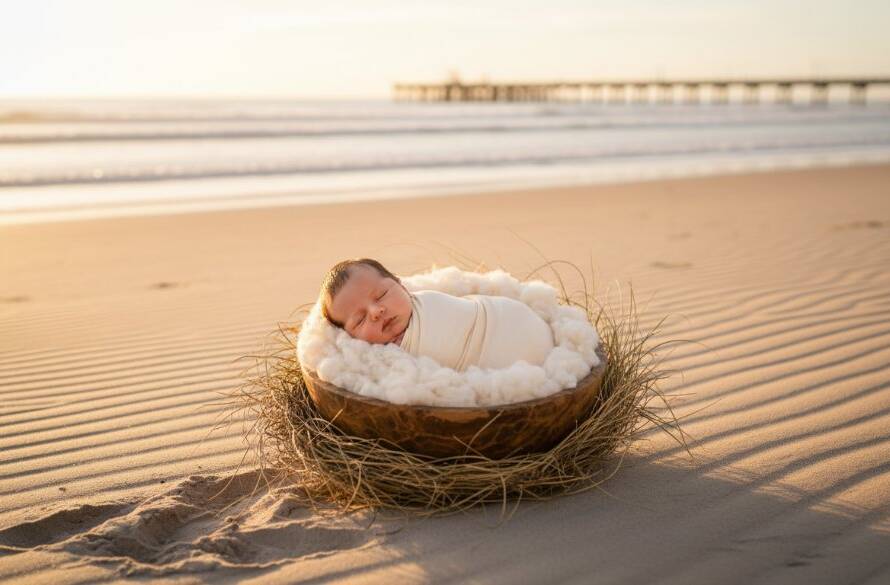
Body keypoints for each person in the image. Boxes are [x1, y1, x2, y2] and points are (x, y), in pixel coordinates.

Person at [320, 258, 554, 372]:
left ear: (402, 286)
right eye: (360, 320)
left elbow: (464, 314)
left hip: (503, 318)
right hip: (508, 361)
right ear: (349, 337)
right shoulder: (384, 358)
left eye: (381, 295)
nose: (376, 312)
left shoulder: (429, 301)